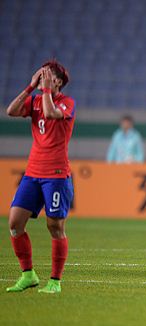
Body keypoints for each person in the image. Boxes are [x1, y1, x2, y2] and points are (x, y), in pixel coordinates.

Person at [5, 60, 75, 293]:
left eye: (49, 75)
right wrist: (30, 86)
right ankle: (28, 274)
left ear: (59, 81)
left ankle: (55, 281)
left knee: (55, 226)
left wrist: (44, 90)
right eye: (42, 74)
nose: (44, 78)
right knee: (15, 223)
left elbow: (50, 112)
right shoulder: (34, 100)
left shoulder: (67, 103)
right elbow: (11, 111)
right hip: (33, 172)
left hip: (56, 174)